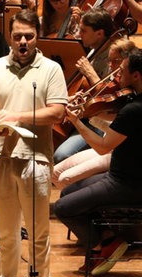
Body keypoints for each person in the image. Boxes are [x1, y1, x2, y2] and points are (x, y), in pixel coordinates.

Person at [0, 10, 68, 277]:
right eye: (17, 36)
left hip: (35, 157)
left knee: (38, 230)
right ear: (10, 37)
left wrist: (15, 116)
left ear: (36, 36)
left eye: (28, 35)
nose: (23, 41)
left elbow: (56, 113)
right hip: (1, 155)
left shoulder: (51, 69)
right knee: (5, 228)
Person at [53, 48, 142, 276]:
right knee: (67, 192)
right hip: (124, 177)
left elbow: (103, 146)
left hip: (127, 184)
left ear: (137, 75)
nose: (116, 75)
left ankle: (99, 249)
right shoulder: (133, 102)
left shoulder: (134, 110)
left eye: (122, 70)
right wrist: (90, 110)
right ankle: (109, 238)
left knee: (63, 207)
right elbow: (116, 120)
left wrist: (77, 121)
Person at [52, 38, 136, 189]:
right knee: (54, 173)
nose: (111, 66)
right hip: (107, 144)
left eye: (115, 61)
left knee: (65, 178)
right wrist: (88, 111)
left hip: (117, 153)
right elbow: (111, 116)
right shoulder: (118, 86)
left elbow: (109, 136)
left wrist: (80, 118)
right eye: (109, 61)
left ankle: (78, 207)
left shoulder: (132, 98)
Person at [54, 8, 115, 164]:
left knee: (61, 156)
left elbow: (110, 96)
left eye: (84, 31)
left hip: (100, 121)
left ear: (99, 33)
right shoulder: (92, 51)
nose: (79, 34)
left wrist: (90, 72)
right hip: (83, 115)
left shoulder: (113, 56)